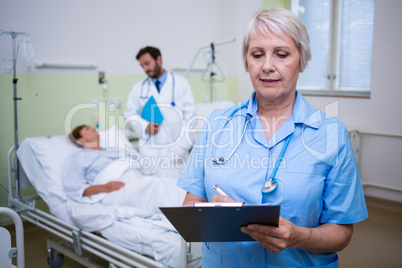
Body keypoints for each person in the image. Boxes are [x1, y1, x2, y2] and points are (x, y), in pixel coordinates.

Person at [177, 8, 368, 267]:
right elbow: (190, 205)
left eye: (282, 54)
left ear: (301, 60)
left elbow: (342, 233)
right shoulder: (217, 125)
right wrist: (211, 214)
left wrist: (298, 236)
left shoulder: (331, 135)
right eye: (257, 55)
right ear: (247, 61)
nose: (267, 66)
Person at [63, 125, 186, 212]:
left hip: (136, 179)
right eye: (87, 129)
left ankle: (194, 206)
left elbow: (136, 164)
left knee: (168, 183)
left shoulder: (115, 150)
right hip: (114, 189)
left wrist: (144, 174)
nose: (93, 129)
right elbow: (74, 189)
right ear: (80, 140)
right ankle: (189, 210)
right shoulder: (77, 158)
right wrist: (105, 187)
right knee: (155, 187)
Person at [124, 46, 195, 177]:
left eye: (147, 63)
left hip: (176, 152)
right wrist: (145, 126)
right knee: (152, 193)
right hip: (150, 152)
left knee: (176, 193)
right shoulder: (139, 88)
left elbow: (190, 119)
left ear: (159, 59)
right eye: (142, 66)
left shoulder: (181, 84)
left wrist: (180, 148)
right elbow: (130, 113)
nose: (145, 69)